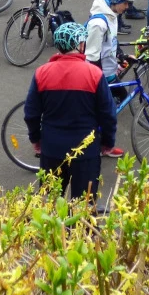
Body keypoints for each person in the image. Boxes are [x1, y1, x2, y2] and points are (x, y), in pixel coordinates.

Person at [24, 22, 119, 200]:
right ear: (81, 44)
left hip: (52, 149)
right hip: (86, 151)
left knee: (50, 204)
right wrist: (107, 142)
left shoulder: (41, 73)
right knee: (83, 205)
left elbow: (31, 113)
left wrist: (36, 139)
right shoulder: (94, 74)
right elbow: (108, 114)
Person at [85, 0, 135, 88]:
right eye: (125, 3)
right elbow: (92, 58)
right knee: (120, 97)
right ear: (115, 1)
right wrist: (101, 85)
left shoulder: (112, 14)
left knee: (122, 97)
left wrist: (121, 55)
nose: (127, 7)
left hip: (109, 72)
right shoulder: (98, 24)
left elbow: (112, 39)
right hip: (102, 77)